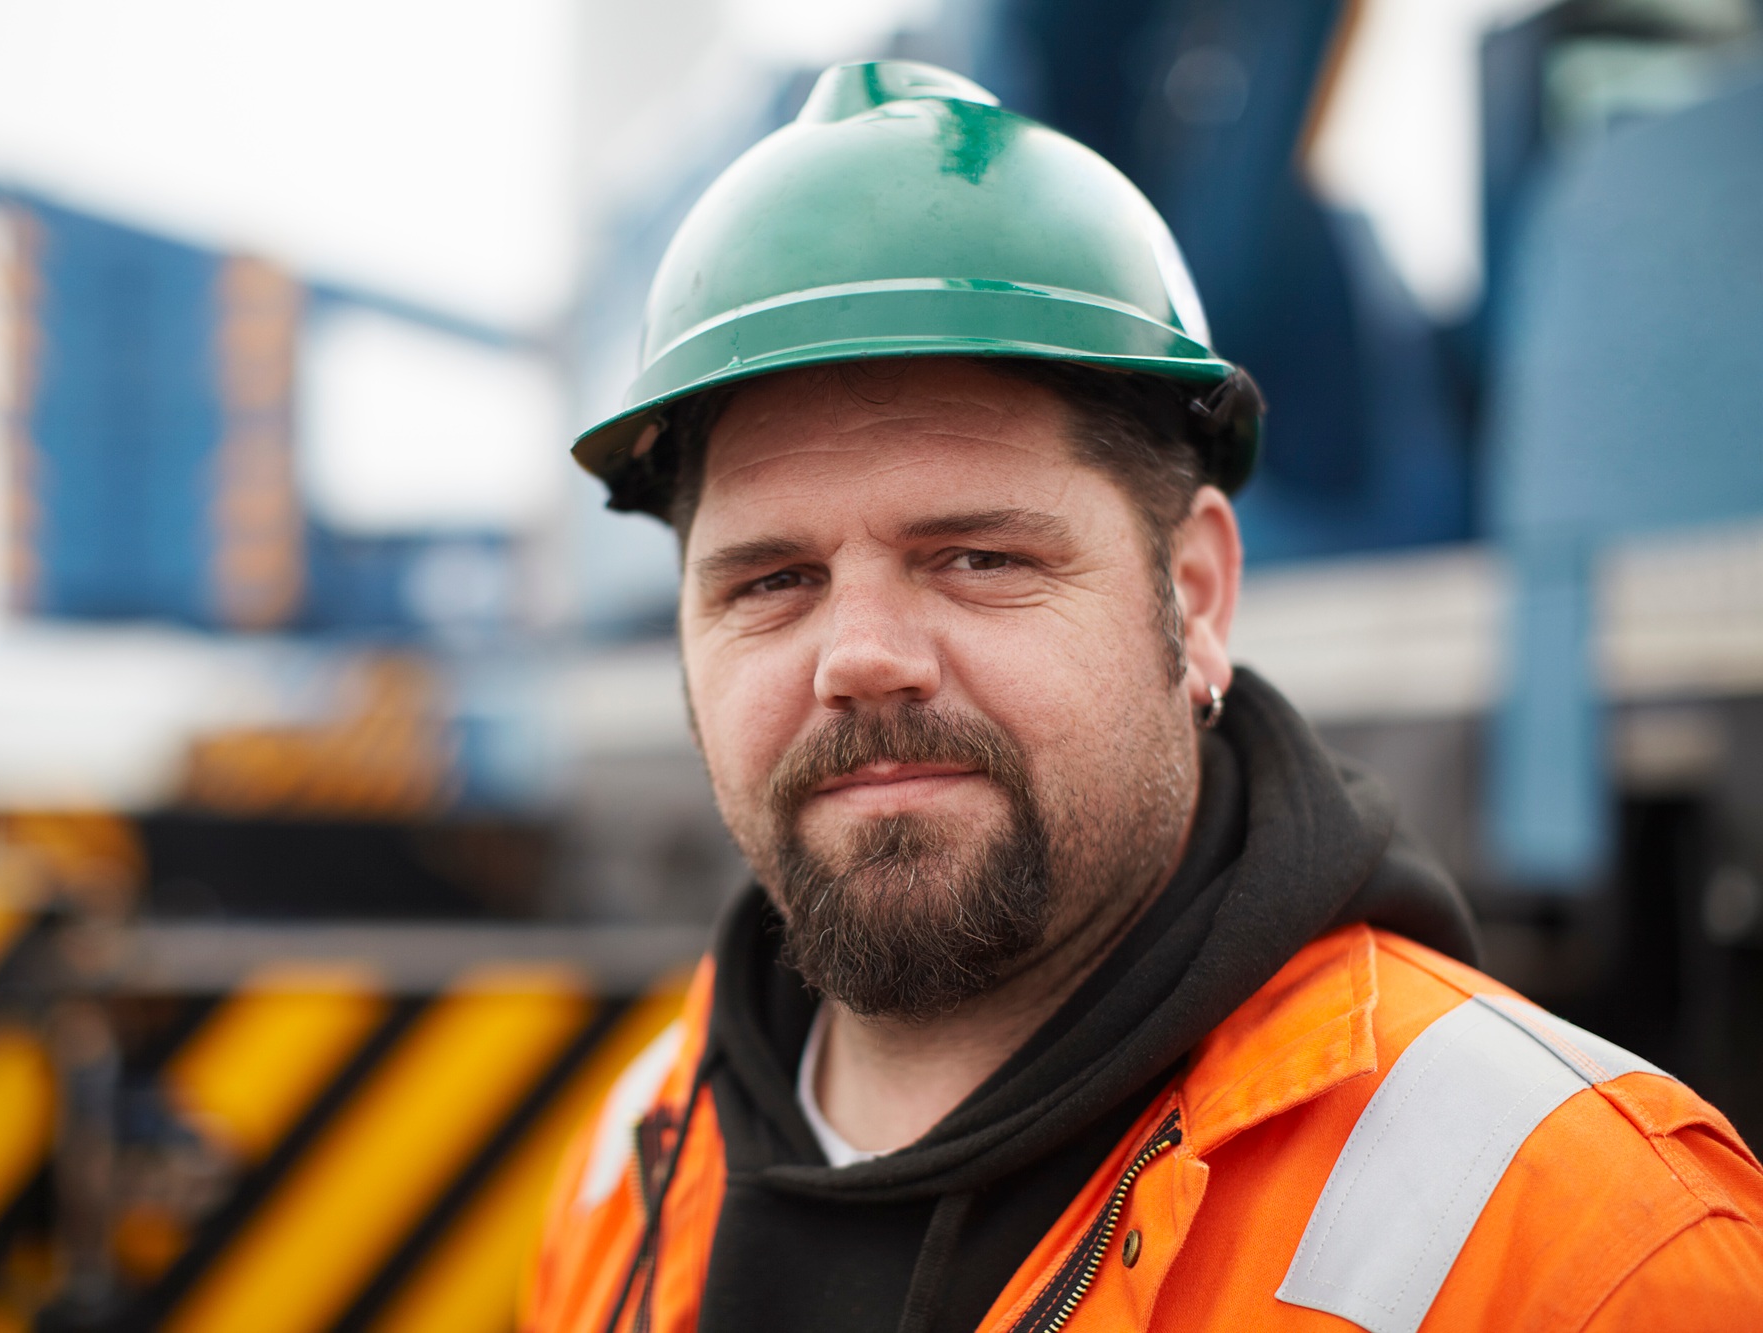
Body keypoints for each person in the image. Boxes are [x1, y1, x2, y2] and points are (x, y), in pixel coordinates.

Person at [526, 60, 1763, 1333]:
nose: (859, 655)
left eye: (976, 558)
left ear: (1197, 597)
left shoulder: (1591, 1242)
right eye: (771, 580)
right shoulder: (631, 1164)